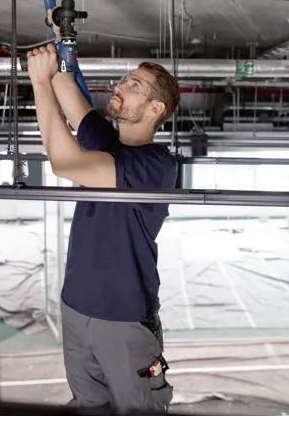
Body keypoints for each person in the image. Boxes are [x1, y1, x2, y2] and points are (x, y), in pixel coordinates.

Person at [26, 43, 180, 414]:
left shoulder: (155, 167)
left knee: (139, 414)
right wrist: (60, 36)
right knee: (88, 409)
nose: (121, 86)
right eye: (126, 79)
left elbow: (64, 162)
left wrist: (38, 83)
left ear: (154, 110)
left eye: (135, 86)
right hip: (76, 309)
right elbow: (67, 89)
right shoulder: (107, 143)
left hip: (124, 318)